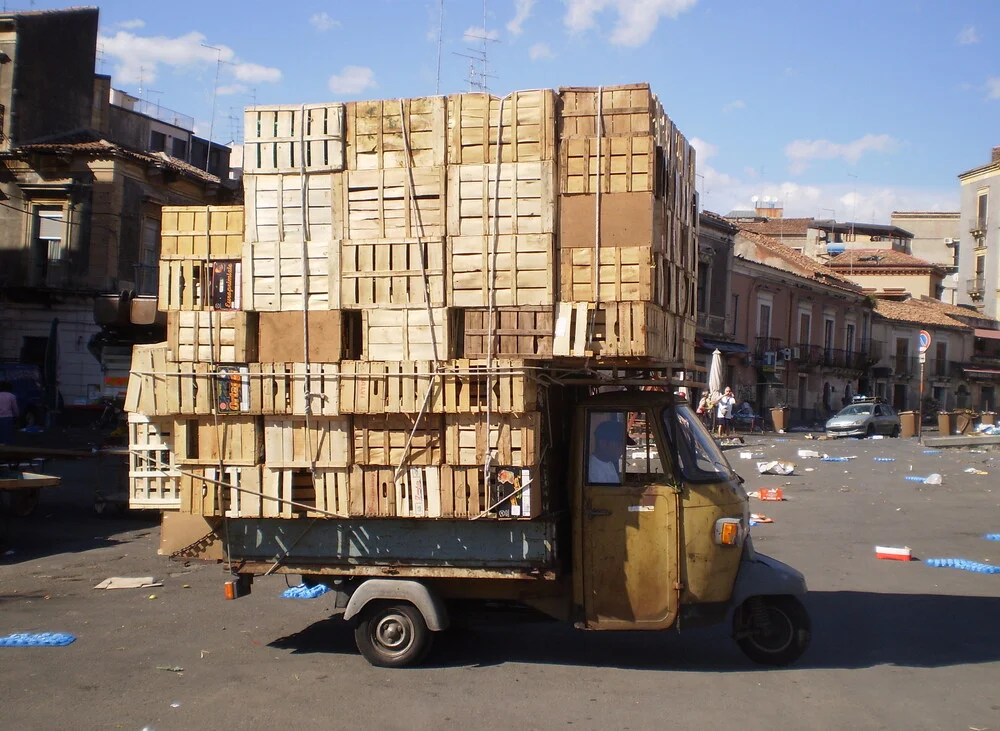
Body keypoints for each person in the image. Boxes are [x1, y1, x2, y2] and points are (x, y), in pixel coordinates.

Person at [589, 419, 624, 484]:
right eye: (619, 445)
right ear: (603, 443)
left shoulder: (608, 462)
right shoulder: (592, 471)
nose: (622, 450)